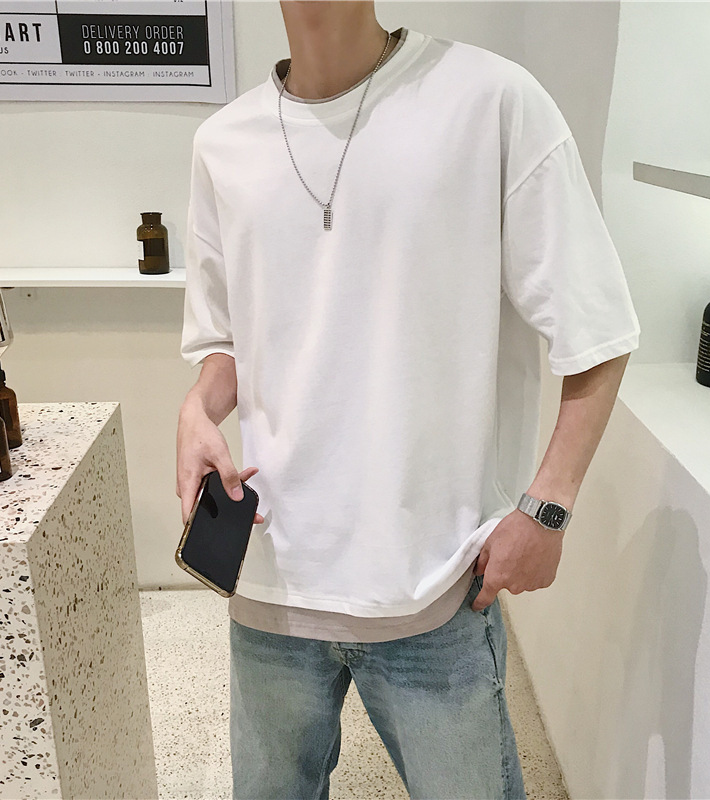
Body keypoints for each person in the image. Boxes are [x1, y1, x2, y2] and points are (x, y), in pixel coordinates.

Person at [176, 2, 640, 798]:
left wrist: (548, 508)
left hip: (435, 588)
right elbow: (228, 340)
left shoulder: (490, 101)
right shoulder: (223, 144)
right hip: (272, 584)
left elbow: (598, 329)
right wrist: (196, 408)